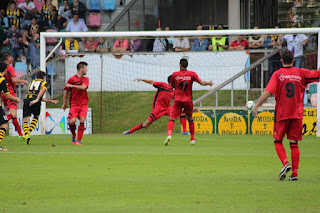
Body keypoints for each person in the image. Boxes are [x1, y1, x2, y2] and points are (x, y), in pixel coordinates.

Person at [253, 50, 320, 181]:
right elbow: (318, 75)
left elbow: (268, 92)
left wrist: (257, 105)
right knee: (294, 144)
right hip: (296, 114)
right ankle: (294, 174)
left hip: (282, 114)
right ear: (293, 60)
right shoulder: (301, 72)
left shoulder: (277, 74)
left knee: (278, 141)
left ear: (281, 61)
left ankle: (285, 163)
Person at [164, 59, 213, 145]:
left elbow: (170, 87)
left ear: (180, 65)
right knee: (190, 119)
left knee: (172, 119)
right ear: (187, 65)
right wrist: (208, 83)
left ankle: (169, 135)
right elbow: (201, 83)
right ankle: (192, 139)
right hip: (188, 100)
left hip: (177, 99)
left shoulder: (175, 74)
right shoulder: (192, 74)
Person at [122, 76, 192, 135]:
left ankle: (184, 131)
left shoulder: (174, 91)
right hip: (158, 109)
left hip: (167, 109)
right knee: (146, 124)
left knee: (182, 112)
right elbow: (152, 82)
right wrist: (143, 80)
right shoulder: (163, 85)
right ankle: (130, 131)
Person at [22, 71, 59, 144]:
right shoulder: (45, 83)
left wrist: (50, 101)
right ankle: (28, 132)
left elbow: (35, 95)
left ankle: (26, 134)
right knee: (36, 117)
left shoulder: (31, 82)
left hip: (27, 100)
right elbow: (42, 91)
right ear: (44, 77)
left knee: (25, 120)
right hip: (36, 101)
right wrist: (37, 100)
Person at [0, 52, 28, 139]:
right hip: (10, 93)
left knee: (14, 115)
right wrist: (24, 81)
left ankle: (20, 135)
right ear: (8, 58)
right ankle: (2, 121)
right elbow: (14, 80)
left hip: (2, 94)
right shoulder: (9, 68)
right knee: (12, 114)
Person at [61, 61, 89, 145]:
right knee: (72, 121)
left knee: (82, 119)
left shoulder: (86, 79)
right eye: (85, 68)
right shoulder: (72, 79)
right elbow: (65, 90)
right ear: (81, 69)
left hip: (84, 103)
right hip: (74, 104)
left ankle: (79, 140)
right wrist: (64, 103)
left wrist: (72, 86)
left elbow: (83, 87)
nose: (86, 70)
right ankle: (74, 135)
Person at [0, 61, 20, 151]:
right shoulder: (2, 80)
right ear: (5, 70)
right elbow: (8, 96)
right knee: (4, 124)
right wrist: (16, 99)